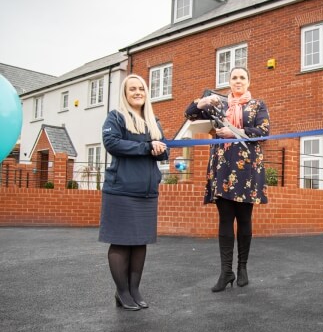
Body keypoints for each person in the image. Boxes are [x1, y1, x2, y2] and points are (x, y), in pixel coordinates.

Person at [184, 66, 270, 292]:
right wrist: (201, 103)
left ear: (248, 82)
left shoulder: (257, 105)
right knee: (224, 220)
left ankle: (242, 268)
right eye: (234, 78)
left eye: (242, 77)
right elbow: (189, 114)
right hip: (222, 167)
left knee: (244, 219)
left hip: (247, 168)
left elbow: (263, 131)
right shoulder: (218, 105)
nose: (238, 81)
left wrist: (234, 133)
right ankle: (226, 272)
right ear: (229, 82)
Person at [99, 74, 168, 310]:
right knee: (121, 243)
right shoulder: (116, 117)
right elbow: (112, 143)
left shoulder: (152, 120)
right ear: (125, 93)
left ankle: (135, 290)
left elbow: (164, 151)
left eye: (141, 88)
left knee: (140, 243)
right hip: (122, 190)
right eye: (132, 89)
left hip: (147, 192)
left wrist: (159, 148)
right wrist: (146, 147)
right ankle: (122, 292)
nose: (138, 92)